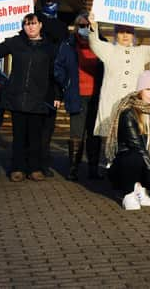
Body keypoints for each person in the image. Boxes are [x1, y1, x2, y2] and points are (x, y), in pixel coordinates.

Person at [0, 13, 60, 182]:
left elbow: (55, 72)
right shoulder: (16, 42)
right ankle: (18, 168)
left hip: (39, 98)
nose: (30, 27)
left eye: (34, 23)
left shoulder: (50, 47)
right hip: (17, 96)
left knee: (36, 136)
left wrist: (57, 94)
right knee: (19, 136)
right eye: (27, 24)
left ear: (40, 25)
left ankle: (34, 168)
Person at [88, 15, 150, 144]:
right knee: (112, 137)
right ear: (116, 34)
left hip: (133, 102)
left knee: (132, 135)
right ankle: (111, 162)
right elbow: (94, 43)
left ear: (133, 34)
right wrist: (94, 25)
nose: (125, 35)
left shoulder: (141, 52)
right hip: (111, 101)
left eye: (128, 32)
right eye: (121, 31)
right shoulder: (108, 50)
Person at [54, 11, 104, 180]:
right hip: (77, 95)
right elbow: (58, 67)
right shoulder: (67, 45)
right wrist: (66, 82)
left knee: (94, 133)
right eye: (82, 25)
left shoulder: (101, 43)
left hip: (97, 97)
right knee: (76, 133)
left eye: (88, 25)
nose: (85, 28)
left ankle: (93, 169)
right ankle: (73, 169)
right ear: (76, 27)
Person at [105, 70, 150, 210]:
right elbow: (138, 147)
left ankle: (141, 188)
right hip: (124, 165)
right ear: (139, 90)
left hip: (144, 162)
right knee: (134, 156)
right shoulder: (128, 112)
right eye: (148, 89)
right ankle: (129, 193)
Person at [35, 0, 69, 177]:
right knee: (33, 126)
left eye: (53, 0)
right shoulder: (34, 19)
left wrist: (58, 92)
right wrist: (31, 1)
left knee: (47, 127)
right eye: (46, 0)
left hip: (52, 82)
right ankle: (30, 162)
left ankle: (43, 162)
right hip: (32, 81)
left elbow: (63, 61)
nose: (50, 3)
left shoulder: (62, 27)